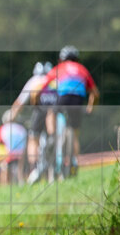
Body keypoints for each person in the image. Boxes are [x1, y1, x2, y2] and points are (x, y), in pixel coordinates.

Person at [41, 45, 99, 177]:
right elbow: (95, 93)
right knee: (74, 132)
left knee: (51, 113)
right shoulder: (82, 69)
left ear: (62, 59)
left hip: (63, 97)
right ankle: (74, 162)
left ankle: (52, 135)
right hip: (78, 100)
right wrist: (90, 108)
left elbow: (43, 84)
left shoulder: (59, 68)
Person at [10, 61, 55, 184]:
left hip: (40, 109)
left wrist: (12, 115)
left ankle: (34, 167)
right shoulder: (53, 79)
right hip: (54, 111)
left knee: (33, 138)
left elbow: (20, 102)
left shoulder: (34, 80)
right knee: (53, 136)